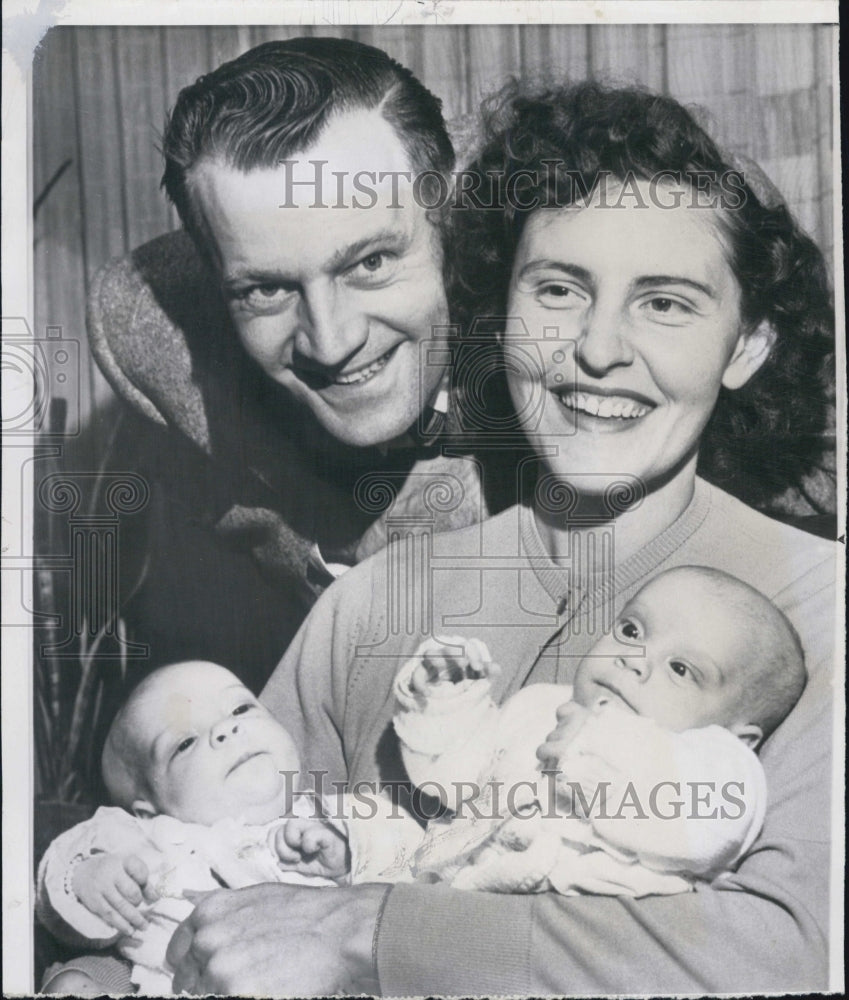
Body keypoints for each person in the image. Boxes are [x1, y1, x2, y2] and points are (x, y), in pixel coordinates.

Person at [162, 82, 837, 995]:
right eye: (558, 289)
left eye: (666, 304)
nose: (598, 350)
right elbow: (210, 878)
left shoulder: (823, 607)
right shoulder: (368, 603)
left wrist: (373, 927)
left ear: (746, 343)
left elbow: (787, 952)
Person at [86, 37, 517, 685]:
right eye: (266, 289)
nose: (330, 341)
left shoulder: (558, 347)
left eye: (370, 262)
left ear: (449, 219)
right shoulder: (155, 336)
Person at [289, 565, 804, 897]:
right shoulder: (542, 706)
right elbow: (455, 787)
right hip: (445, 905)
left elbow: (703, 825)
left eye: (681, 670)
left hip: (569, 948)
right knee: (375, 832)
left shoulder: (716, 770)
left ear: (741, 739)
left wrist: (592, 742)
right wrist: (448, 700)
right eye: (631, 630)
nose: (634, 661)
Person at [36, 661, 422, 995]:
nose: (225, 729)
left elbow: (417, 859)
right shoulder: (146, 836)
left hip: (308, 977)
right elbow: (61, 870)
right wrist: (88, 878)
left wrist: (350, 848)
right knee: (83, 976)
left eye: (240, 708)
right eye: (185, 742)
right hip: (165, 977)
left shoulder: (328, 815)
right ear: (147, 809)